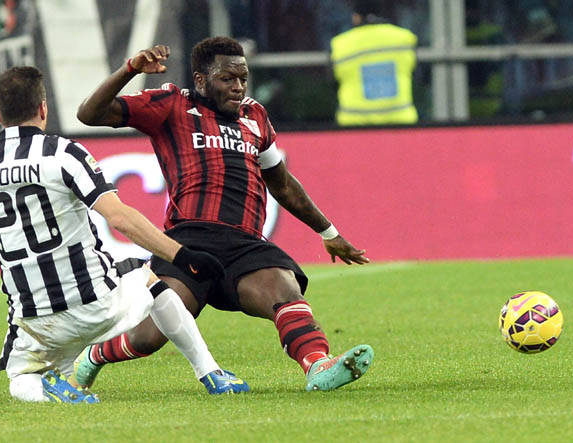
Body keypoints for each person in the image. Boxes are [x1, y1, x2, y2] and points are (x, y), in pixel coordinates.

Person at [73, 36, 374, 392]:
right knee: (149, 337)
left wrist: (329, 233)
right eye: (227, 79)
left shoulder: (255, 116)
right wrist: (130, 70)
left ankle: (319, 366)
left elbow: (282, 184)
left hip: (244, 245)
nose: (238, 87)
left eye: (242, 78)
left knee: (285, 290)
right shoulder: (171, 104)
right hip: (187, 242)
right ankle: (93, 356)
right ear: (200, 80)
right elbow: (88, 114)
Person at [0, 66, 249, 403]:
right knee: (150, 279)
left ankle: (48, 391)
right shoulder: (64, 153)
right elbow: (119, 217)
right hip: (95, 304)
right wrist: (182, 256)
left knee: (21, 379)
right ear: (43, 108)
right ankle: (211, 373)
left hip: (33, 319)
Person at [330, 0, 418, 126]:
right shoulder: (404, 38)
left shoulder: (341, 44)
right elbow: (416, 74)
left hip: (353, 125)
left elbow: (332, 81)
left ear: (356, 16)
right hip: (400, 124)